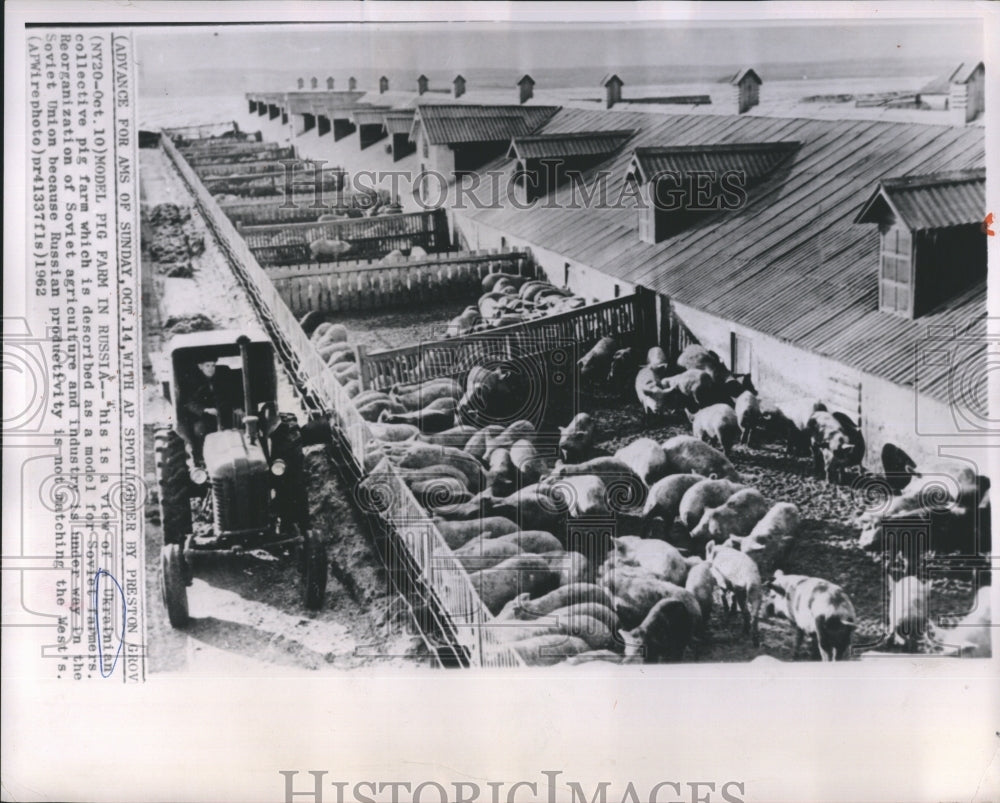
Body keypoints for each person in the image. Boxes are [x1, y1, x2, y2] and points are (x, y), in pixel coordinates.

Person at [183, 357, 239, 465]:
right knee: (200, 429)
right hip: (203, 417)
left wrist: (236, 407)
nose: (211, 369)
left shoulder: (221, 379)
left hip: (222, 415)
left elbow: (231, 396)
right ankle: (201, 458)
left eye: (213, 365)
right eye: (207, 366)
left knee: (234, 430)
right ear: (200, 367)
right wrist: (205, 410)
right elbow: (189, 402)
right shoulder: (193, 382)